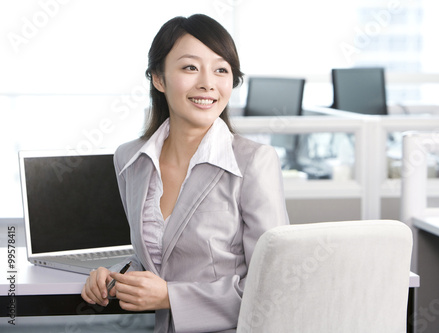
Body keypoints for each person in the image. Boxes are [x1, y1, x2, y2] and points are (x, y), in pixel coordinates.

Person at [81, 13, 289, 333]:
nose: (207, 83)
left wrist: (170, 297)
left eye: (221, 69)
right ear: (159, 79)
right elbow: (157, 257)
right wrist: (114, 275)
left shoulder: (254, 162)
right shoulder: (131, 160)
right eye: (190, 67)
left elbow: (276, 287)